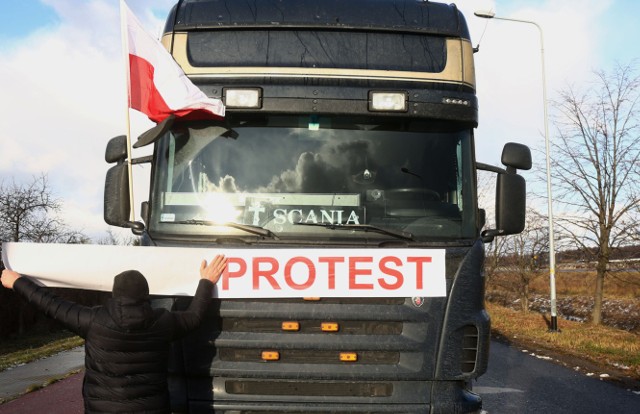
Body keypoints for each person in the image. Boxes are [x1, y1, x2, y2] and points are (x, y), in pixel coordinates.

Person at [1, 254, 228, 414]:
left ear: (114, 292)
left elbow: (49, 304)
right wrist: (206, 282)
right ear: (146, 295)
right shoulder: (163, 322)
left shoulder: (92, 320)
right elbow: (195, 317)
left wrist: (17, 282)